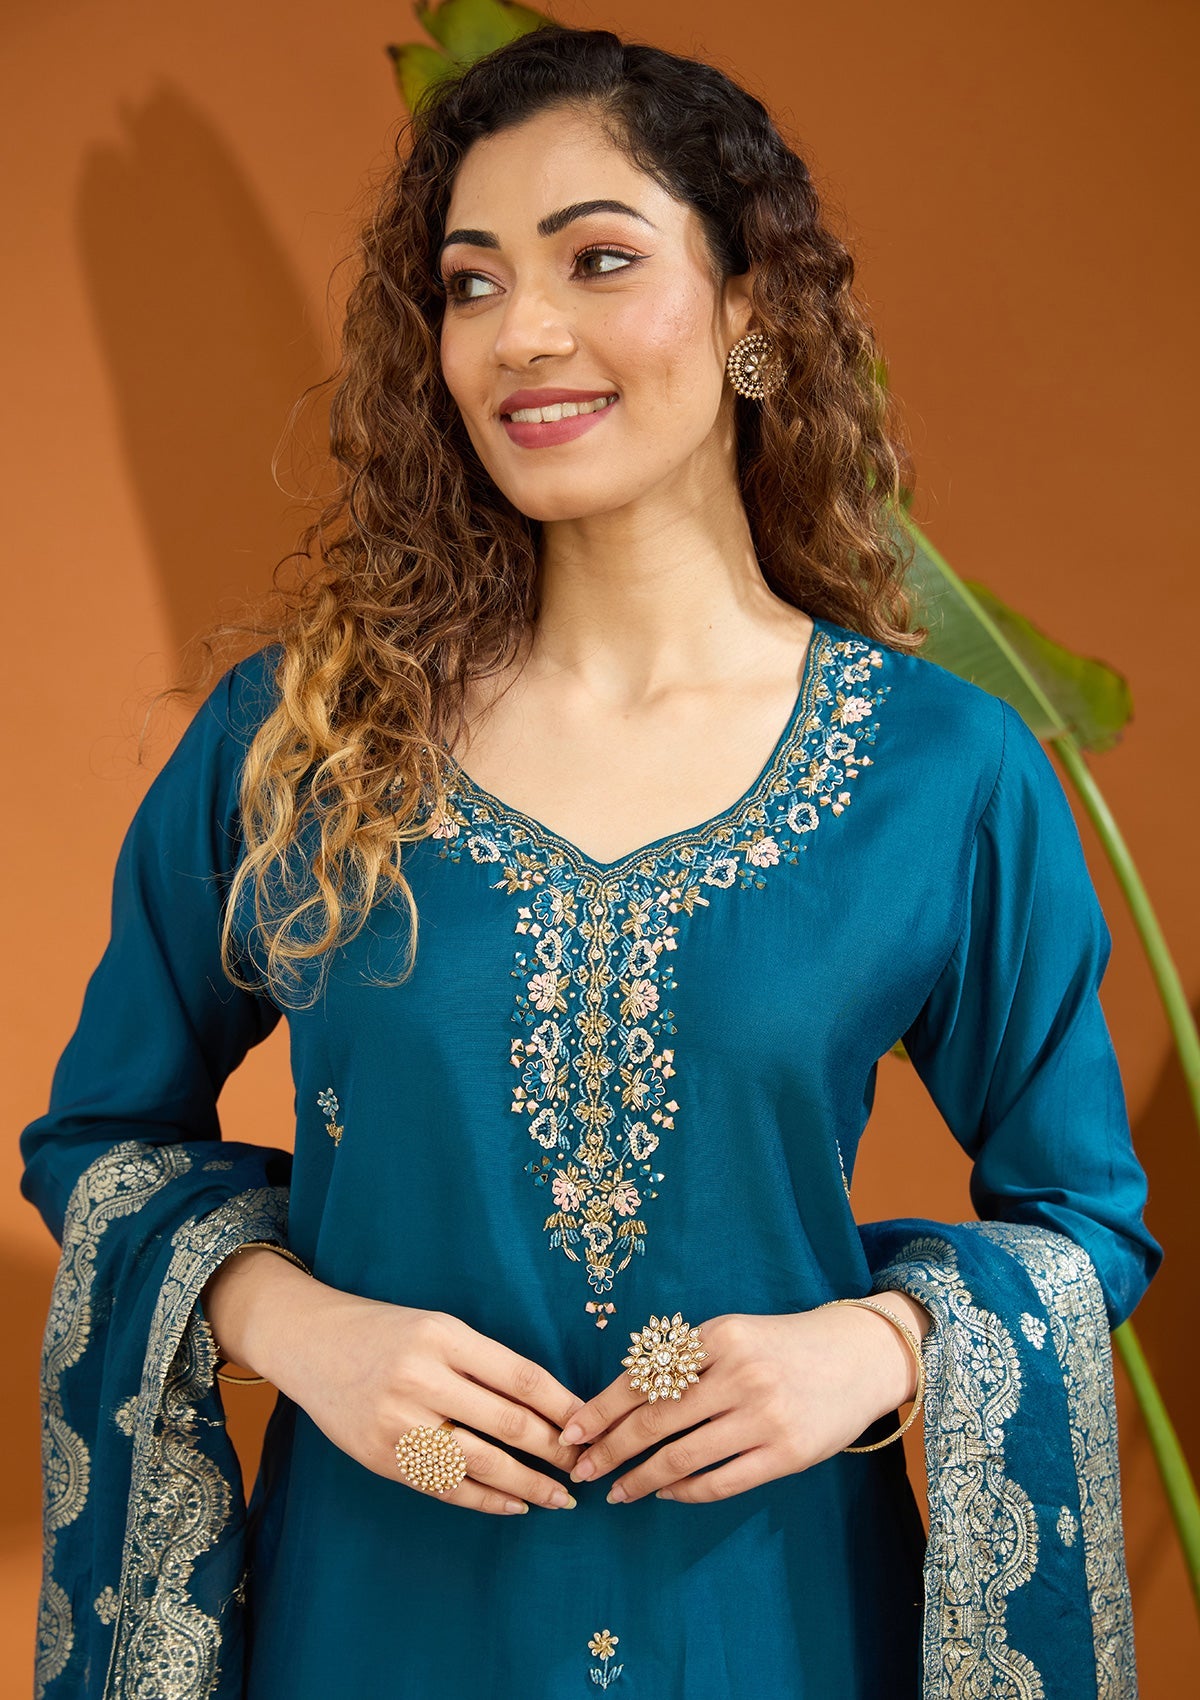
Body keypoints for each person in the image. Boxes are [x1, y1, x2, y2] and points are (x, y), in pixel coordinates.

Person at [20, 24, 1163, 1700]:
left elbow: (1083, 1222)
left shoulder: (943, 771)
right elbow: (100, 1139)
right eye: (470, 284)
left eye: (598, 260)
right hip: (373, 1617)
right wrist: (293, 1326)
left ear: (752, 309)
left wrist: (877, 1344)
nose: (521, 334)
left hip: (771, 1618)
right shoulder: (307, 736)